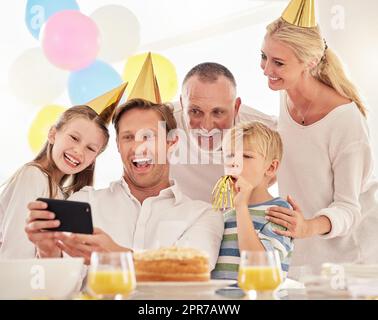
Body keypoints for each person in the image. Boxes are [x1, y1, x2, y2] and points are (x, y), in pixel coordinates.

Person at [25, 99, 224, 269]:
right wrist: (48, 252)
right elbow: (61, 290)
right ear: (118, 146)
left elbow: (193, 271)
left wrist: (118, 257)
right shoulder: (83, 203)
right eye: (128, 137)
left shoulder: (203, 215)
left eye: (148, 136)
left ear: (172, 143)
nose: (138, 147)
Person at [260, 0, 378, 271]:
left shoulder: (345, 120)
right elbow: (294, 140)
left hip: (353, 258)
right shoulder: (285, 92)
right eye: (264, 56)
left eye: (278, 62)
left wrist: (307, 226)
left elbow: (348, 207)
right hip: (303, 253)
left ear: (310, 62)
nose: (267, 70)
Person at [0, 105, 111, 259]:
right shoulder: (33, 175)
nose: (79, 151)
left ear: (94, 159)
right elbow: (15, 253)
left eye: (90, 148)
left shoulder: (62, 194)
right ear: (53, 134)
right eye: (74, 138)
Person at [169, 62, 277, 203]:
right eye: (195, 111)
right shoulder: (160, 121)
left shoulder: (268, 131)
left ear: (236, 107)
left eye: (218, 112)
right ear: (182, 104)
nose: (206, 126)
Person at [211, 122, 293, 280]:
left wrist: (241, 206)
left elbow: (260, 264)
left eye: (246, 156)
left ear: (270, 168)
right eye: (229, 155)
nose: (234, 162)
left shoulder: (279, 211)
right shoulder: (225, 214)